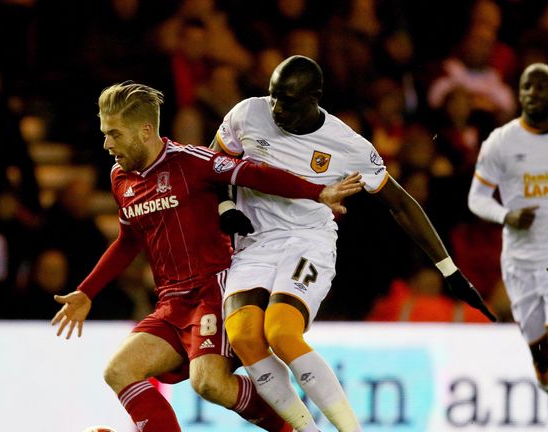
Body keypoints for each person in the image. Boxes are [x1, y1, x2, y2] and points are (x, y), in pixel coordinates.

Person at [51, 81, 363, 432]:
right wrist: (87, 291)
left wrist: (318, 191)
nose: (107, 144)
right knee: (119, 371)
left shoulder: (190, 161)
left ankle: (295, 429)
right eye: (105, 134)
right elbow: (128, 240)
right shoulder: (120, 178)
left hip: (211, 292)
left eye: (114, 134)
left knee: (209, 383)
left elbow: (253, 174)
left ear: (145, 130)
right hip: (171, 303)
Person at [212, 55, 497, 432]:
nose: (278, 110)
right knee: (245, 336)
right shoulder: (248, 114)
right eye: (274, 97)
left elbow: (400, 203)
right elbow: (214, 163)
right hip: (254, 241)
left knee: (281, 332)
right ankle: (307, 431)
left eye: (290, 102)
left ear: (315, 97)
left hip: (306, 242)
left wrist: (449, 269)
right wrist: (226, 204)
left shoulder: (348, 145)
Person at [468, 63, 548, 393]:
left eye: (540, 87)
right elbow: (476, 199)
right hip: (519, 260)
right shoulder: (501, 142)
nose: (532, 94)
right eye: (526, 87)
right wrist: (507, 216)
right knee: (539, 351)